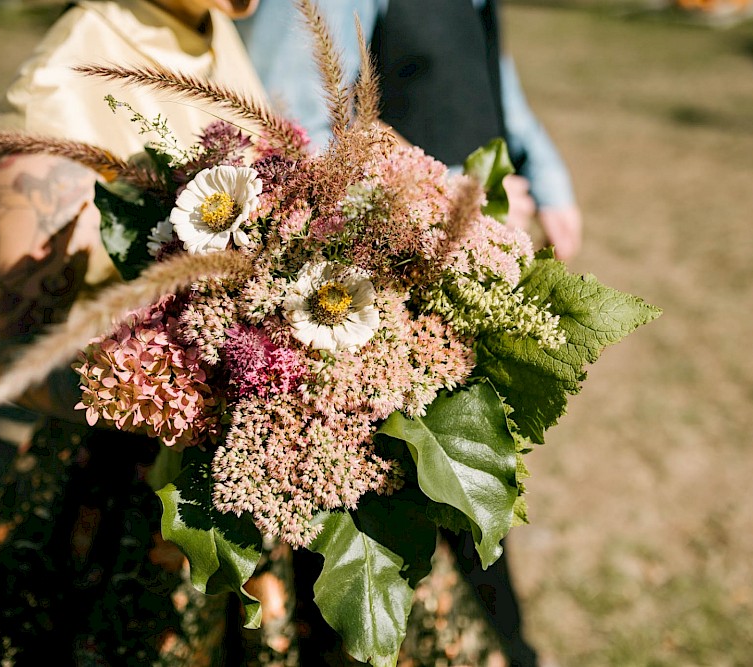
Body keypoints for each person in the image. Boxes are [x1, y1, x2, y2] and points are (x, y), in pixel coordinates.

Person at [0, 0, 532, 665]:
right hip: (137, 507)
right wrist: (205, 385)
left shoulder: (211, 34)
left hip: (288, 473)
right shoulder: (59, 90)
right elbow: (21, 358)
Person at [239, 3, 570, 665]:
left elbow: (490, 77)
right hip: (379, 299)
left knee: (475, 503)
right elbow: (289, 133)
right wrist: (442, 200)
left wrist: (550, 180)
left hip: (467, 284)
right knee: (411, 517)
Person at [237, 0, 582, 262]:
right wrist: (452, 199)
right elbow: (295, 124)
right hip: (389, 265)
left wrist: (544, 170)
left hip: (478, 247)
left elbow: (485, 65)